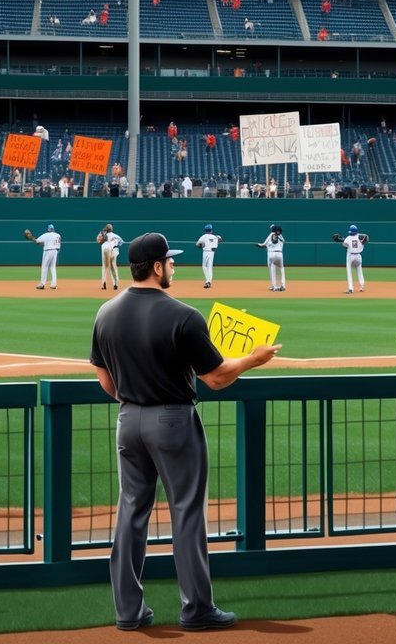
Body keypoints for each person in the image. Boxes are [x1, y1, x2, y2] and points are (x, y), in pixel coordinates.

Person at [90, 232, 281, 631]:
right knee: (187, 513)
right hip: (173, 421)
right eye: (171, 262)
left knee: (130, 513)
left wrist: (133, 396)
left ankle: (128, 611)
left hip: (127, 421)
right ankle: (196, 609)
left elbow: (104, 379)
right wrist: (252, 358)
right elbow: (215, 377)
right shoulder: (184, 314)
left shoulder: (105, 312)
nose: (175, 266)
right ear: (157, 267)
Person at [334, 224, 368, 294]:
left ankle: (350, 289)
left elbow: (344, 245)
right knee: (359, 270)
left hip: (351, 256)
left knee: (349, 272)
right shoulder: (360, 237)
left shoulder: (348, 238)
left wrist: (341, 240)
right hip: (358, 256)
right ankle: (362, 286)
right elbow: (366, 238)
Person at [257, 224, 286, 292]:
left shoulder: (271, 235)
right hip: (280, 254)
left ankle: (274, 286)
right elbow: (282, 240)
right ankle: (283, 285)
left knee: (272, 269)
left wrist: (259, 245)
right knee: (281, 269)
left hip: (271, 254)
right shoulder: (281, 237)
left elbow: (263, 244)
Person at [32, 223, 62, 289]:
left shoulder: (46, 235)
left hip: (48, 251)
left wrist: (32, 238)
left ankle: (42, 284)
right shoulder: (58, 235)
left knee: (44, 267)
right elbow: (50, 243)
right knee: (52, 268)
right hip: (55, 251)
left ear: (48, 229)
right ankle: (53, 284)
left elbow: (37, 241)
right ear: (53, 229)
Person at [195, 223, 221, 289]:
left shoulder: (203, 236)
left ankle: (208, 281)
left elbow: (197, 245)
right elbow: (219, 240)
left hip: (206, 252)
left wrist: (201, 245)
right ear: (211, 230)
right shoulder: (215, 237)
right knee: (210, 267)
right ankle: (208, 281)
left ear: (205, 230)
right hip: (212, 252)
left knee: (204, 266)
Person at [98, 223, 123, 290]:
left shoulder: (102, 234)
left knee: (105, 266)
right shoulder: (116, 236)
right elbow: (121, 242)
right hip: (114, 250)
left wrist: (103, 238)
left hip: (105, 248)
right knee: (113, 266)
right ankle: (115, 284)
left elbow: (98, 240)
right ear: (111, 229)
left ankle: (104, 283)